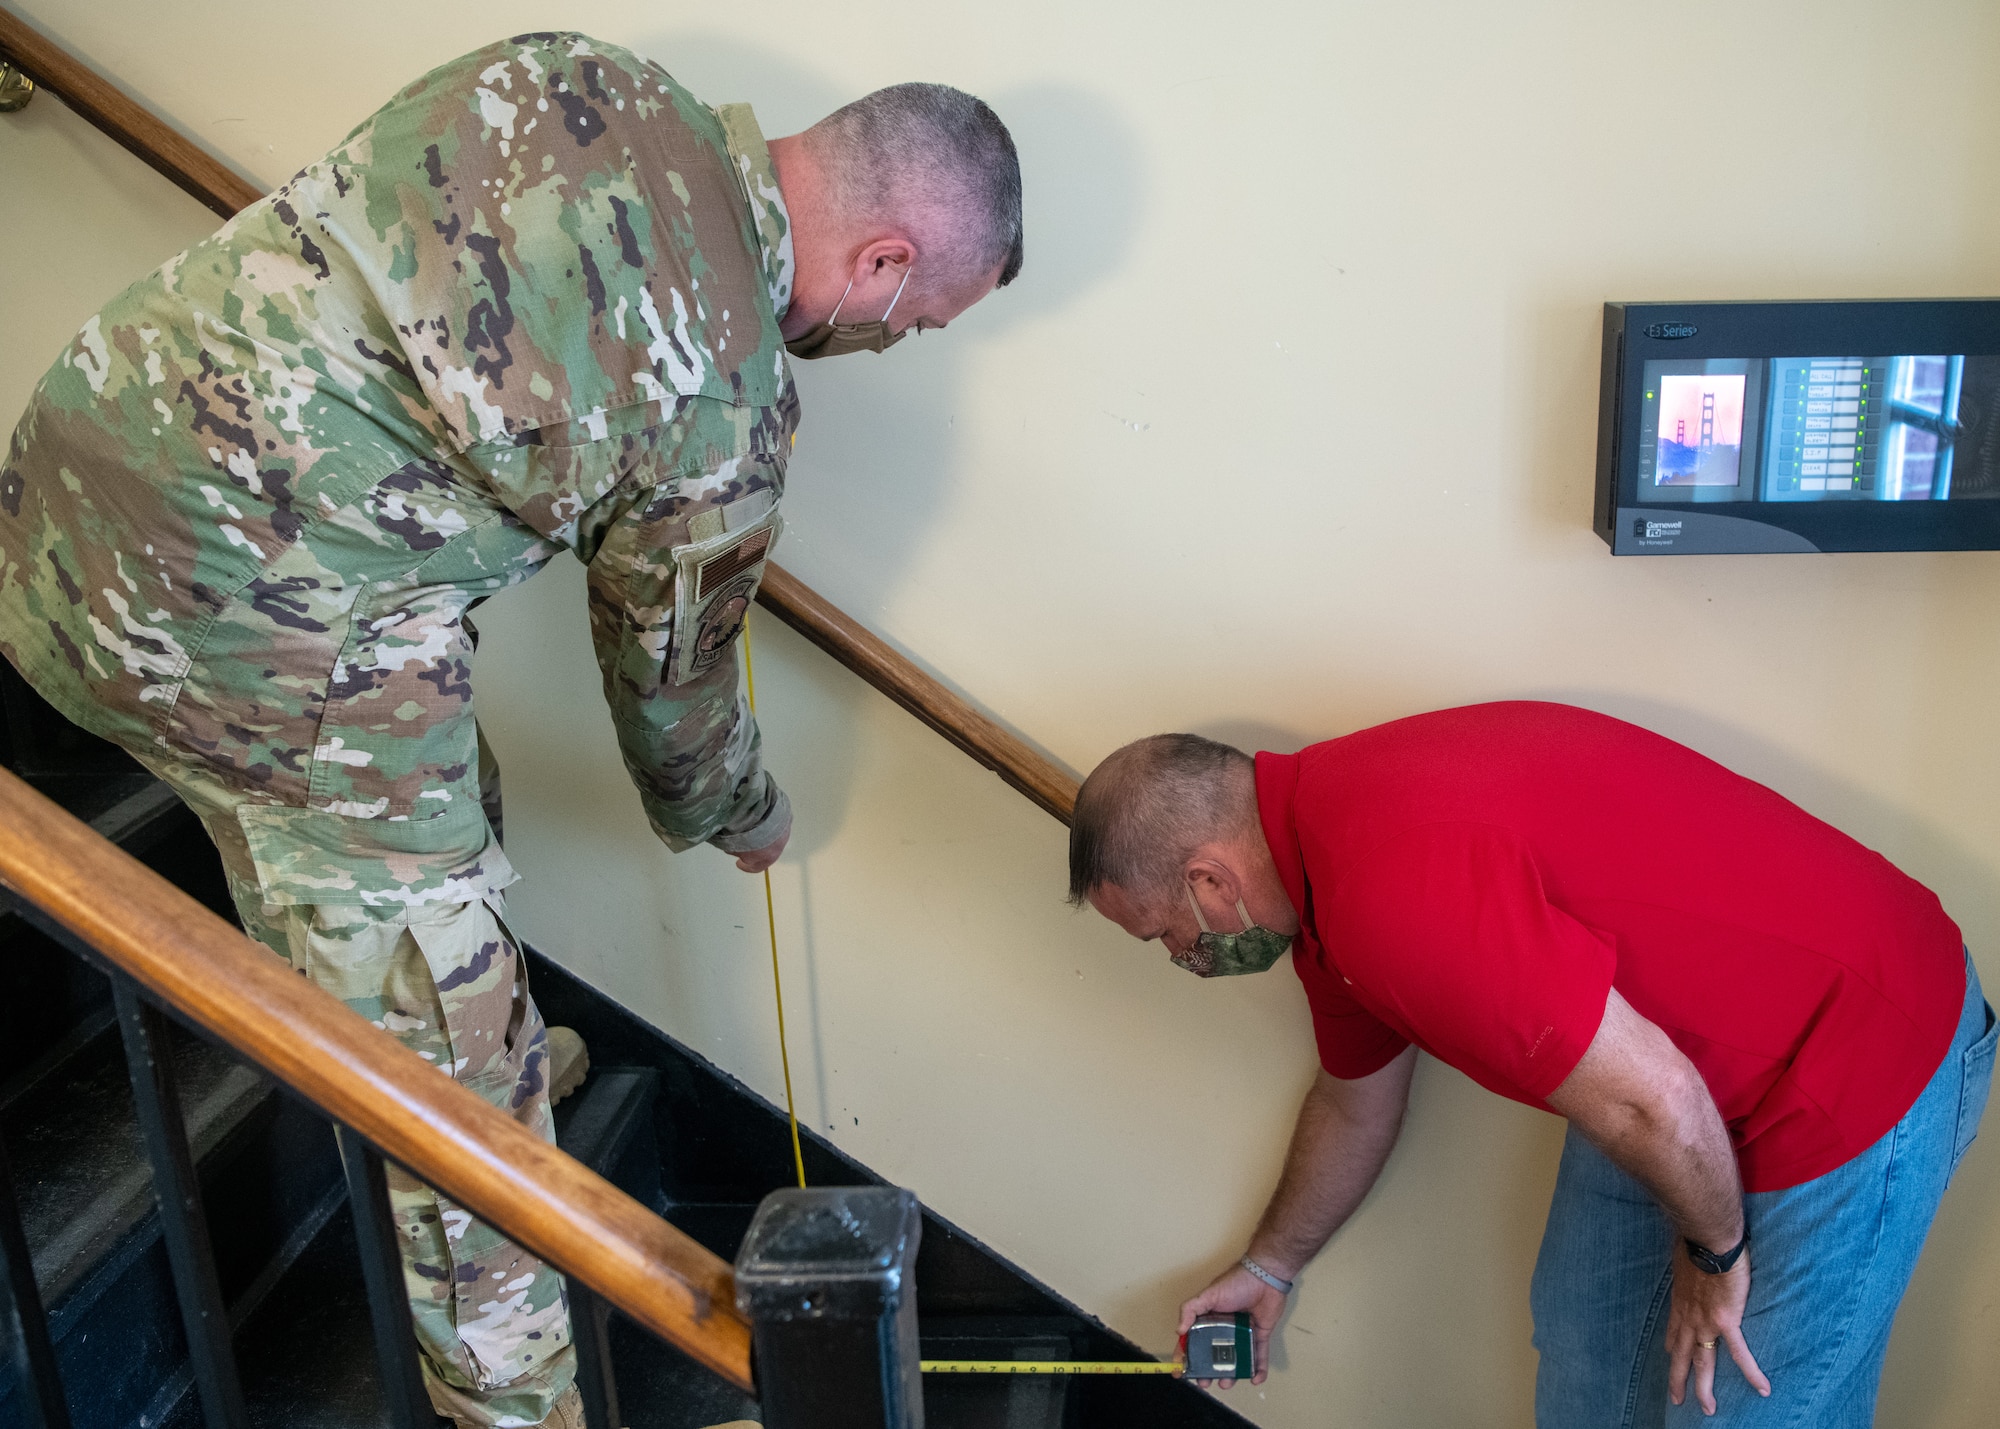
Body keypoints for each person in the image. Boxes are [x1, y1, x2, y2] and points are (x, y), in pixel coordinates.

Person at [0, 30, 1021, 1429]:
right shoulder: (725, 395)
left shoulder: (582, 76)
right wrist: (737, 809)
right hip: (259, 632)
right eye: (914, 318)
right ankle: (523, 1404)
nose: (890, 339)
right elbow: (672, 682)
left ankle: (415, 1005)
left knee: (445, 785)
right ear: (885, 264)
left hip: (66, 480)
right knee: (453, 1071)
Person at [1070, 702, 1995, 1426]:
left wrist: (1716, 1254)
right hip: (1662, 1072)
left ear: (1209, 881)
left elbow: (1652, 1103)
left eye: (1169, 938)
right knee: (1588, 1349)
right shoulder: (1321, 887)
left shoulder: (1393, 891)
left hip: (1852, 1055)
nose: (1185, 962)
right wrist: (1268, 1268)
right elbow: (1355, 1105)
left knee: (1742, 1407)